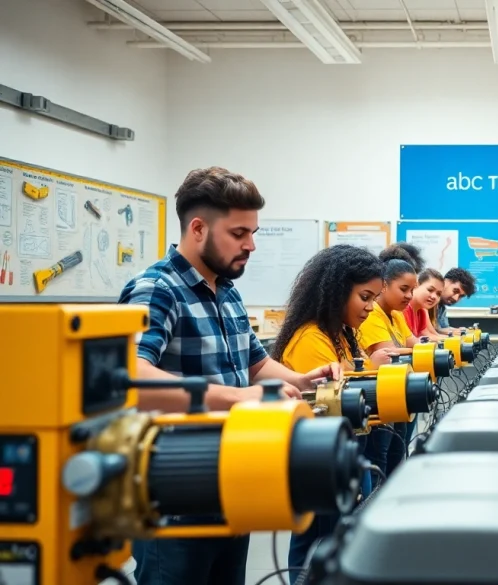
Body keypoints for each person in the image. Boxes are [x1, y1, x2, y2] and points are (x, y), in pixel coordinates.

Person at [119, 167, 341, 585]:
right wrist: (237, 398)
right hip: (174, 494)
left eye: (253, 233)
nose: (251, 245)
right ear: (198, 228)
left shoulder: (226, 290)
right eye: (239, 233)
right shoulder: (158, 289)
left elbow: (256, 364)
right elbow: (131, 375)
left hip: (233, 482)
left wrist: (305, 378)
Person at [271, 245, 394, 583]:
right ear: (339, 290)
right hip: (321, 458)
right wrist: (373, 372)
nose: (370, 307)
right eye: (364, 297)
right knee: (318, 547)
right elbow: (334, 401)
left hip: (344, 451)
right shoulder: (310, 338)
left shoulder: (340, 334)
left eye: (374, 298)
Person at [358, 246, 420, 483]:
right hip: (380, 399)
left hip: (398, 393)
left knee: (397, 451)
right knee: (380, 457)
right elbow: (389, 353)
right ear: (384, 286)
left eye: (412, 290)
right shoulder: (373, 315)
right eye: (403, 289)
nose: (409, 296)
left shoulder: (395, 315)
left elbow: (413, 344)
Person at [404, 268, 446, 340]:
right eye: (430, 290)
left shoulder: (422, 311)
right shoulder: (403, 308)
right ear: (416, 285)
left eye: (438, 294)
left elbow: (427, 335)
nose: (434, 297)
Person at [435, 267, 477, 334]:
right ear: (445, 282)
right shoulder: (428, 302)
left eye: (461, 296)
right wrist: (452, 332)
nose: (456, 298)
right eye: (455, 291)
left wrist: (458, 330)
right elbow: (429, 332)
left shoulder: (441, 308)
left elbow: (443, 328)